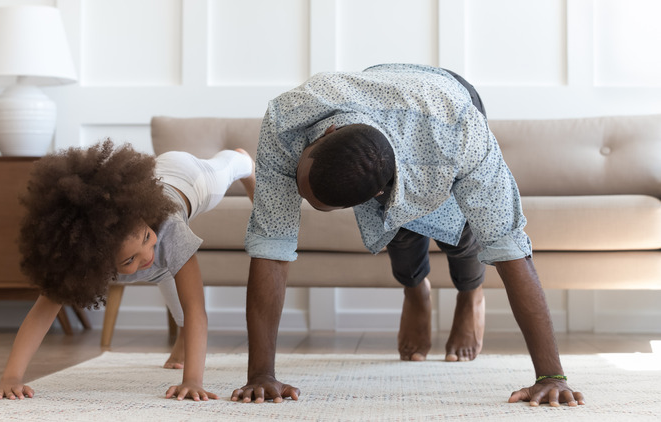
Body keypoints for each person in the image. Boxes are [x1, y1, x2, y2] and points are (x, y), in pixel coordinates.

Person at [230, 63, 585, 407]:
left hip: (448, 103)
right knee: (398, 231)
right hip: (380, 87)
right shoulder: (288, 118)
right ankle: (415, 289)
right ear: (326, 134)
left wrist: (551, 377)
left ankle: (470, 294)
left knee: (464, 234)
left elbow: (509, 247)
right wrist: (261, 374)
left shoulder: (462, 134)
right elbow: (271, 245)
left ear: (377, 192)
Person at [0, 139, 255, 402]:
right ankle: (181, 344)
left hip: (188, 177)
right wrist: (11, 377)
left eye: (146, 237)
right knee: (164, 269)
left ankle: (243, 160)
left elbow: (195, 307)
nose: (147, 255)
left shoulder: (170, 231)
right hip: (160, 183)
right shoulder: (86, 258)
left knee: (229, 168)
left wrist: (192, 381)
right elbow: (40, 316)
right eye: (129, 260)